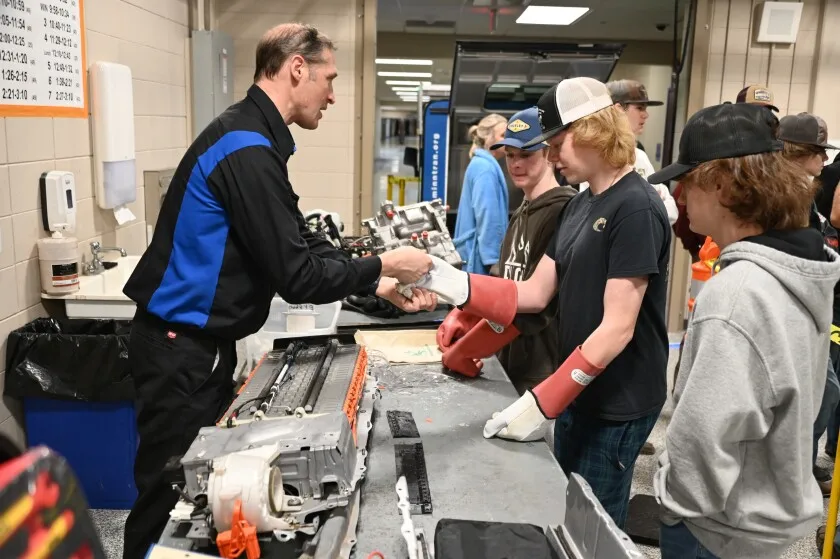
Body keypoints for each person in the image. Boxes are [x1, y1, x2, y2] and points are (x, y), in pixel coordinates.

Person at [120, 23, 437, 559]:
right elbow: (299, 277)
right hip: (180, 351)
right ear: (297, 68)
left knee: (205, 497)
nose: (333, 94)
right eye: (329, 79)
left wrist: (378, 279)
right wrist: (387, 261)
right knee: (168, 505)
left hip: (200, 349)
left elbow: (301, 239)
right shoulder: (245, 147)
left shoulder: (254, 138)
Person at [418, 77, 671, 528]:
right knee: (561, 504)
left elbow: (618, 328)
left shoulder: (635, 207)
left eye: (557, 144)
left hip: (617, 399)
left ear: (593, 129)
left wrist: (543, 400)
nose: (551, 157)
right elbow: (532, 294)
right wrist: (447, 283)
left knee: (592, 524)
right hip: (576, 388)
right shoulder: (580, 205)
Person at [650, 102, 840, 559]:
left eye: (686, 181)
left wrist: (673, 500)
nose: (678, 194)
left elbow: (704, 435)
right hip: (760, 524)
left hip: (714, 530)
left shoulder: (737, 294)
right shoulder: (799, 271)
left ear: (719, 184)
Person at [437, 107, 577, 394]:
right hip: (509, 360)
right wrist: (468, 313)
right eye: (511, 155)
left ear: (550, 154)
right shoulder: (523, 211)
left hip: (541, 370)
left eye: (526, 155)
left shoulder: (561, 212)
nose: (515, 164)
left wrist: (468, 348)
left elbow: (535, 308)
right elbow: (507, 283)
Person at [777, 112, 840, 496]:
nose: (823, 162)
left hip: (809, 310)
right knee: (824, 391)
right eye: (818, 154)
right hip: (790, 309)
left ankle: (796, 464)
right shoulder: (780, 197)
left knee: (826, 390)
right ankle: (790, 466)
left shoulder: (804, 193)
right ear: (797, 153)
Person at [605, 79, 678, 225]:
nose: (646, 115)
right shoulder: (600, 156)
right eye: (639, 108)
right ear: (618, 109)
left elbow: (671, 211)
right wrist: (650, 201)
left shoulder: (640, 156)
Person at [453, 113, 509, 275]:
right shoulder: (485, 168)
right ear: (487, 138)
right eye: (503, 135)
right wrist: (493, 260)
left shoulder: (481, 164)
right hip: (478, 258)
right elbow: (488, 215)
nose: (508, 140)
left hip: (475, 252)